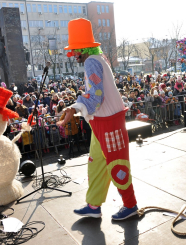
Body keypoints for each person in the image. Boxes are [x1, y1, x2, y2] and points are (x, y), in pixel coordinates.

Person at [57, 18, 137, 220]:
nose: (73, 55)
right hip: (100, 122)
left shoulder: (92, 62)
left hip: (109, 123)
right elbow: (96, 93)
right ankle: (93, 206)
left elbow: (96, 96)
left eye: (75, 50)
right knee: (96, 164)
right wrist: (74, 107)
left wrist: (73, 108)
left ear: (83, 48)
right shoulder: (99, 58)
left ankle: (130, 205)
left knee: (117, 163)